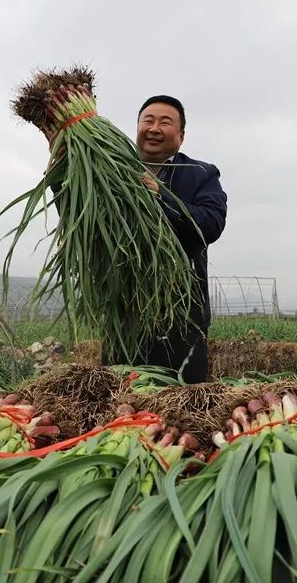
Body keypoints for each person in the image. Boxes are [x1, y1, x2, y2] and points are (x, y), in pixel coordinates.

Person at [112, 95, 227, 383]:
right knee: (122, 405)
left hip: (182, 317)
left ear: (181, 135)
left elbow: (211, 225)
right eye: (147, 121)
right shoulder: (113, 171)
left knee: (182, 408)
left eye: (165, 122)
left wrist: (161, 196)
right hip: (124, 314)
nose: (154, 128)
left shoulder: (201, 174)